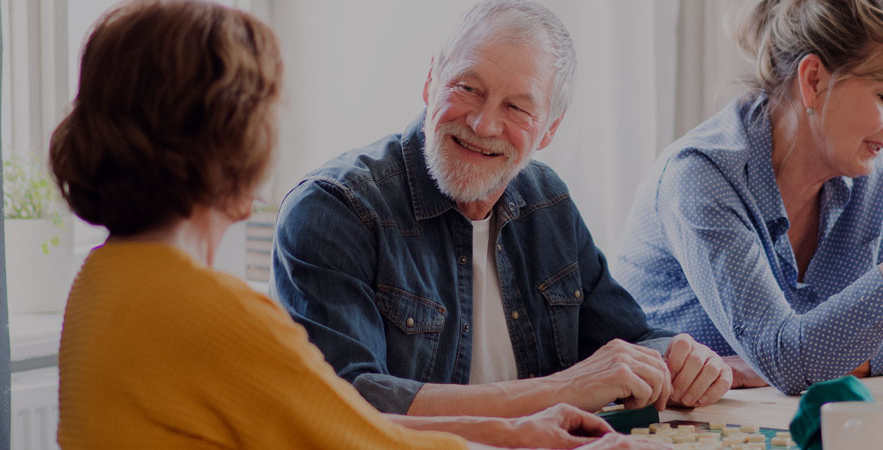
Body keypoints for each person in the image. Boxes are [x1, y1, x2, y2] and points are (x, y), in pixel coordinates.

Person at [51, 2, 658, 449]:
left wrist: (516, 430)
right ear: (233, 142)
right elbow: (362, 438)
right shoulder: (215, 316)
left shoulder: (102, 279)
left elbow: (349, 424)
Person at [270, 0, 731, 418]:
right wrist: (563, 389)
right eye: (468, 88)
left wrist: (683, 358)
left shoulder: (547, 201)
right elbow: (349, 399)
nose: (483, 123)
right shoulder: (334, 209)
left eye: (516, 107)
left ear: (548, 130)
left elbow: (627, 343)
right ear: (431, 81)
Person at [612, 0, 883, 396]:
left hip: (767, 422)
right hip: (661, 428)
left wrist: (781, 364)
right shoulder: (703, 176)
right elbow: (787, 359)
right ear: (813, 81)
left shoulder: (866, 173)